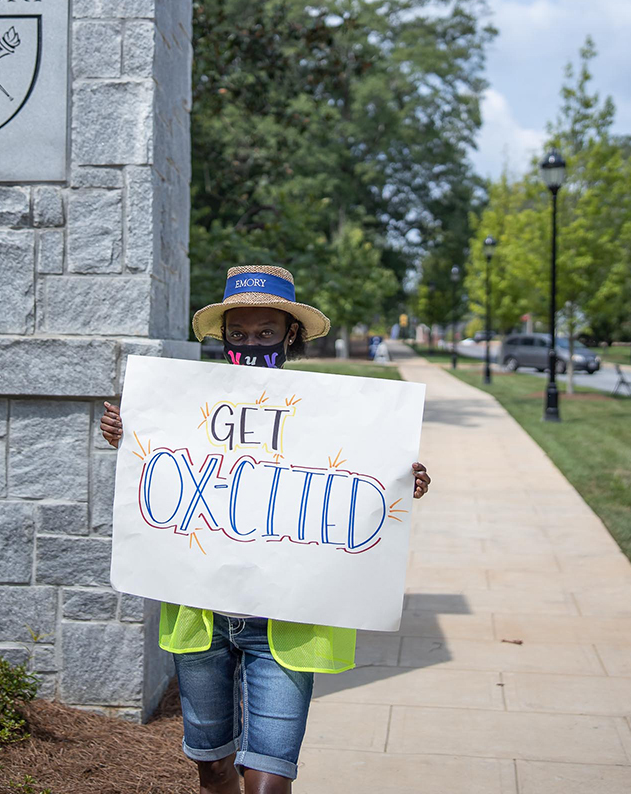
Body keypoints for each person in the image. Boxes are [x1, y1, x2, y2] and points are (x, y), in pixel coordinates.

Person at [100, 264, 431, 793]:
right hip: (202, 616)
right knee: (212, 771)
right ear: (224, 337)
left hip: (284, 625)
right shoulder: (187, 404)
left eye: (264, 334)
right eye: (238, 334)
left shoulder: (332, 412)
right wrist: (128, 435)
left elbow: (358, 480)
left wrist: (397, 480)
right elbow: (163, 469)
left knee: (271, 781)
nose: (250, 345)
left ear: (289, 335)